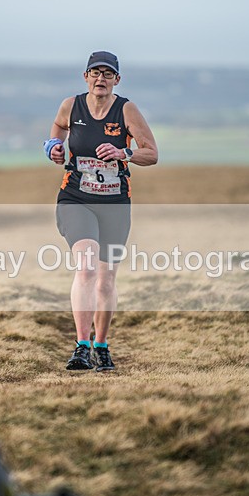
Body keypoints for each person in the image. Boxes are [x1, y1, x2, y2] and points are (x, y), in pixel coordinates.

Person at [44, 51, 158, 371]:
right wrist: (52, 146)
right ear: (86, 77)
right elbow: (57, 127)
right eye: (95, 73)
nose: (101, 79)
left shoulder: (127, 110)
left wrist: (124, 152)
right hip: (76, 198)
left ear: (117, 80)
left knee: (106, 280)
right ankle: (81, 345)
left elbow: (152, 153)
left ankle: (101, 345)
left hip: (115, 204)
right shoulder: (71, 105)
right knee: (87, 267)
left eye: (108, 74)